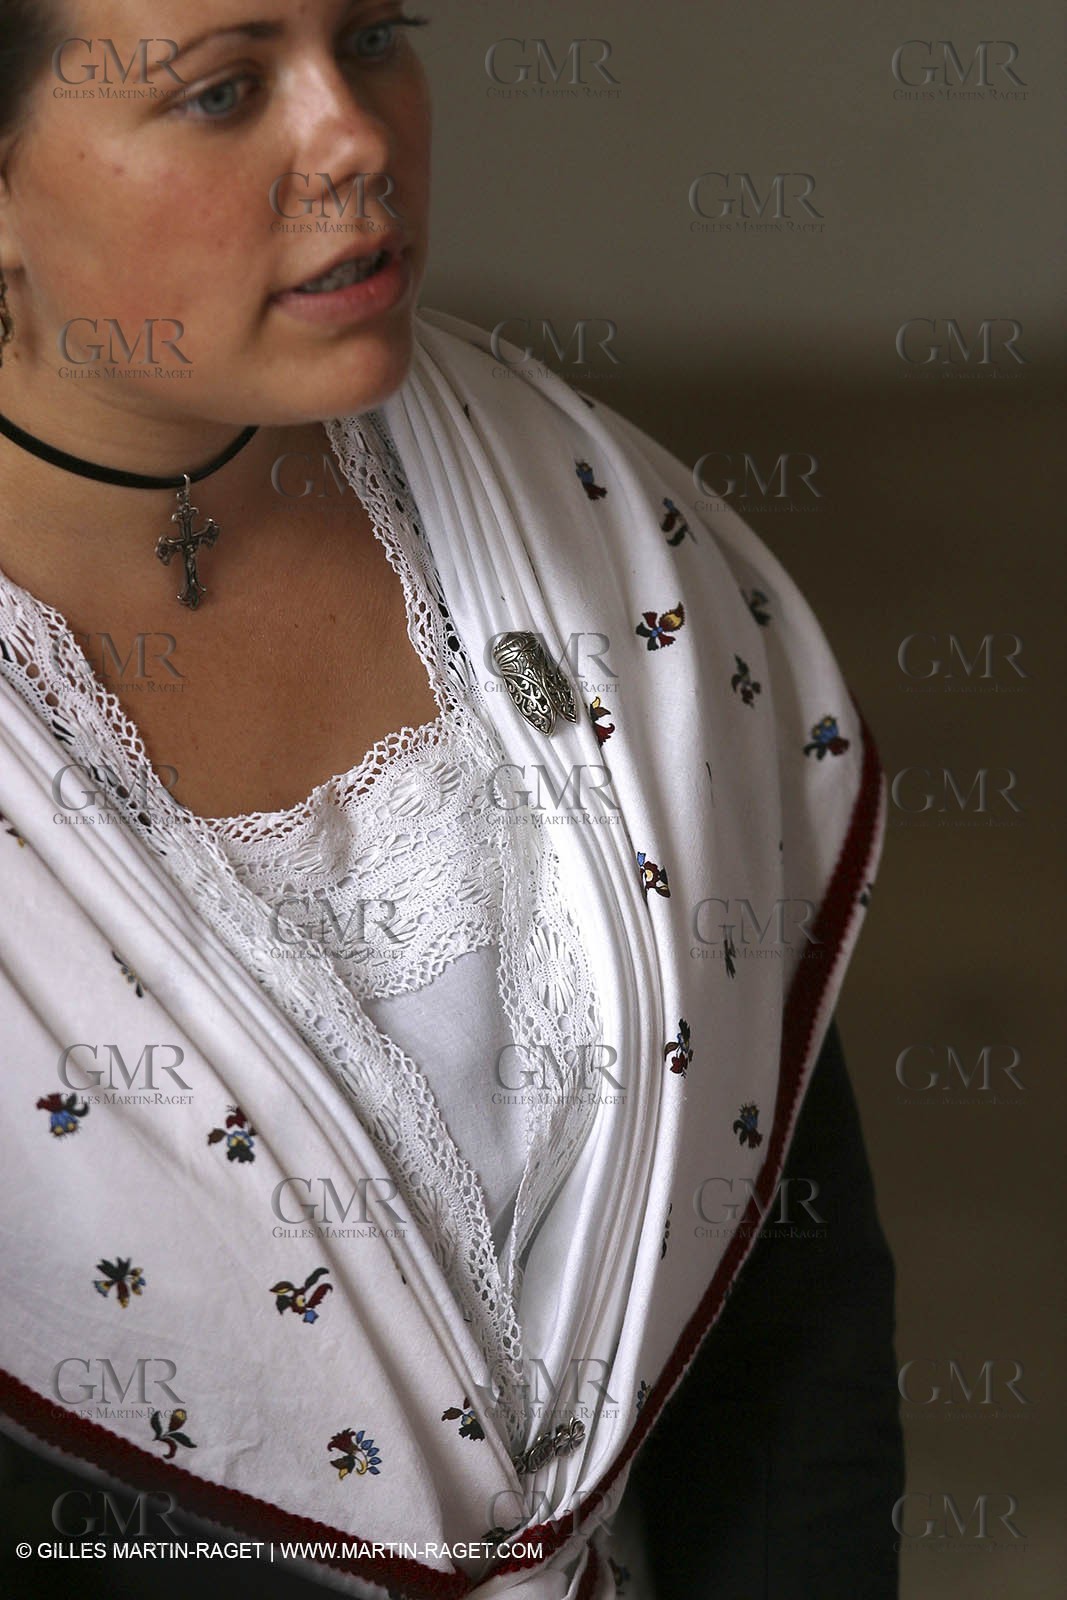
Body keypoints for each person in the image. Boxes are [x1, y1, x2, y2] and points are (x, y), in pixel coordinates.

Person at [0, 4, 903, 1595]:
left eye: (374, 36)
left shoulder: (591, 531)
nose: (356, 137)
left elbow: (790, 1320)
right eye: (223, 92)